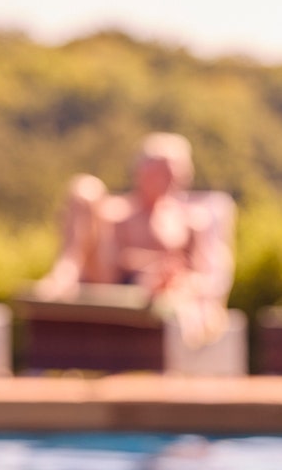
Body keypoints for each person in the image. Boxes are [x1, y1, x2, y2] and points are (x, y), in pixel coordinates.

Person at [34, 132, 234, 348]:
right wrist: (141, 264)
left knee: (178, 289)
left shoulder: (191, 221)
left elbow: (206, 275)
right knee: (85, 189)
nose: (169, 179)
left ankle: (66, 279)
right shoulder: (116, 212)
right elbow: (106, 259)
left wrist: (175, 281)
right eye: (160, 172)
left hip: (159, 292)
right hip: (109, 283)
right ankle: (63, 275)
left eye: (173, 172)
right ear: (141, 172)